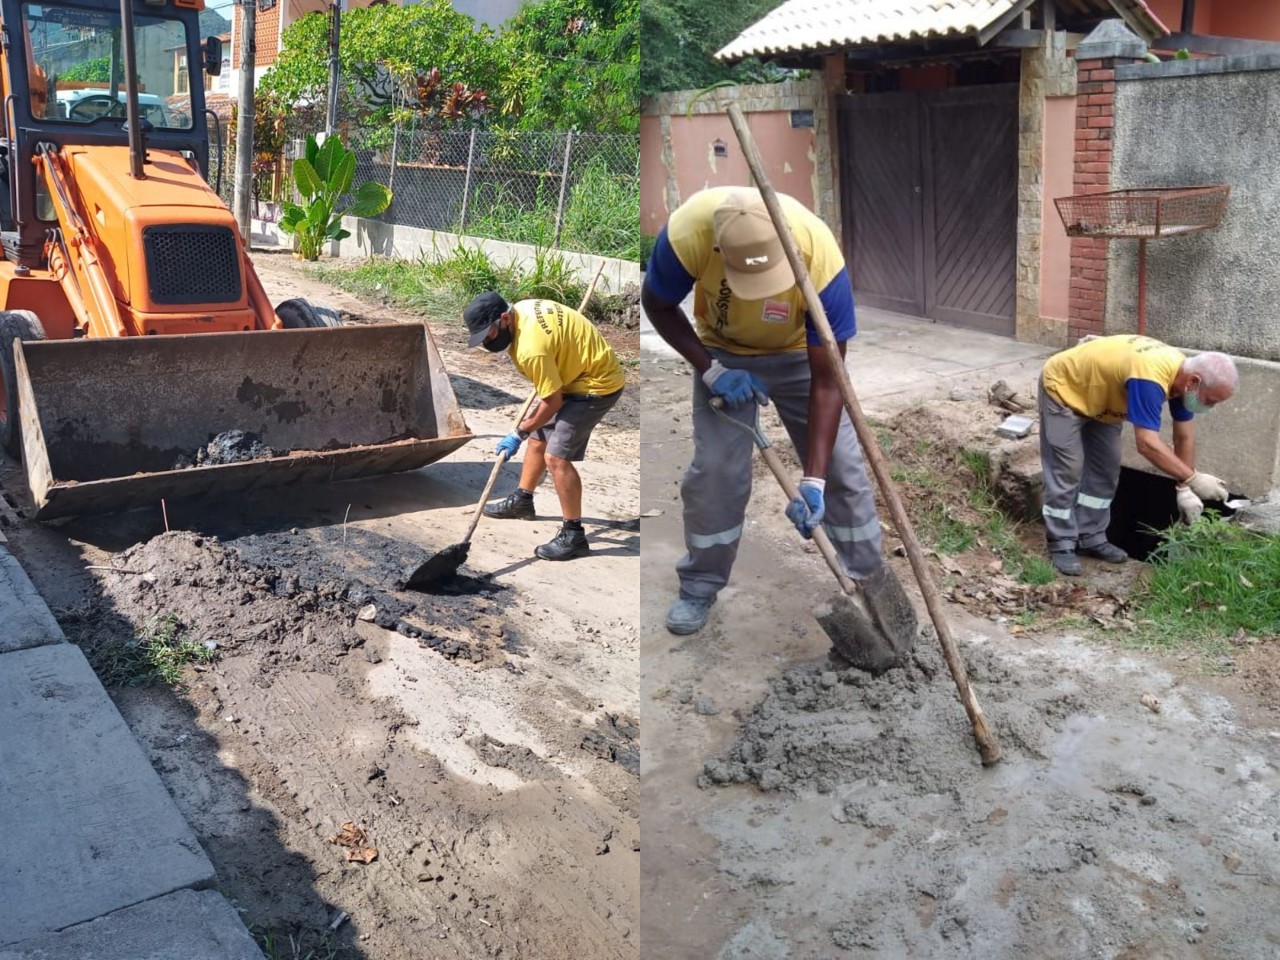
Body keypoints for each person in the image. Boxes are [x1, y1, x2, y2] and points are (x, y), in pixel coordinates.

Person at [642, 184, 896, 636]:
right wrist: (711, 369)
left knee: (841, 469)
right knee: (717, 472)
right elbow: (657, 304)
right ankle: (700, 585)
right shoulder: (686, 234)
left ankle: (871, 584)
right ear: (719, 247)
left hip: (803, 353)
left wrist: (813, 480)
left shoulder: (819, 258)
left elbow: (829, 380)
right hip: (723, 353)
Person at [1038, 334, 1238, 576]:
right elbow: (1147, 444)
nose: (1210, 406)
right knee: (1067, 469)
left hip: (1103, 401)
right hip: (1065, 389)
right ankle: (1061, 542)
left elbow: (1183, 437)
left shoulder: (1182, 382)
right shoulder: (1150, 378)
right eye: (1211, 400)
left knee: (1107, 470)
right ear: (1194, 382)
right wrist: (1194, 478)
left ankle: (1090, 536)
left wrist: (1184, 487)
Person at [462, 291, 625, 561]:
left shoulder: (531, 349)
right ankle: (522, 502)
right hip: (571, 374)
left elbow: (552, 401)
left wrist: (518, 432)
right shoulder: (522, 310)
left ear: (504, 318)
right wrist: (530, 429)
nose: (487, 342)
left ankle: (574, 536)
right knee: (539, 438)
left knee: (556, 456)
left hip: (595, 385)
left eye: (488, 334)